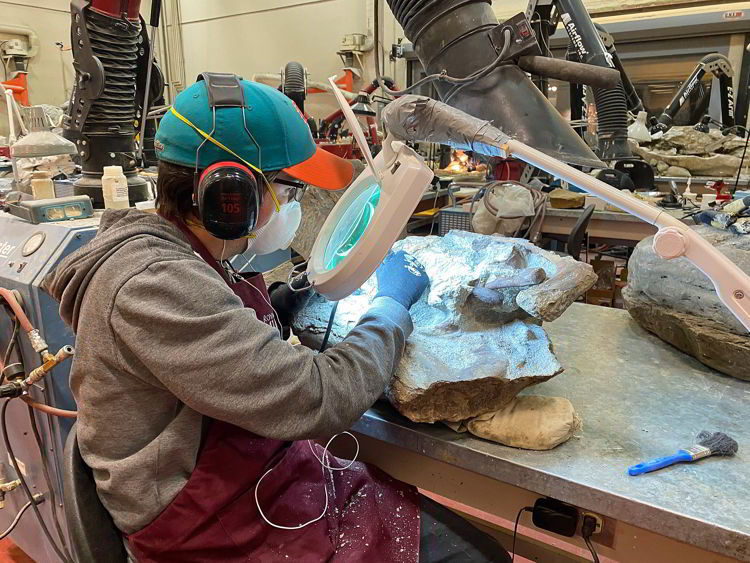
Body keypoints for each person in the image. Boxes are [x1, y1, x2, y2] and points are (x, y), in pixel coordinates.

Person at [44, 73, 510, 562]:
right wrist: (390, 306)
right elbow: (318, 397)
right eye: (288, 189)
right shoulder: (154, 282)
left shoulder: (188, 250)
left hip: (251, 472)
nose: (292, 204)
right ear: (231, 195)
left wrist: (290, 300)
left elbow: (217, 344)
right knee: (476, 556)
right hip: (208, 520)